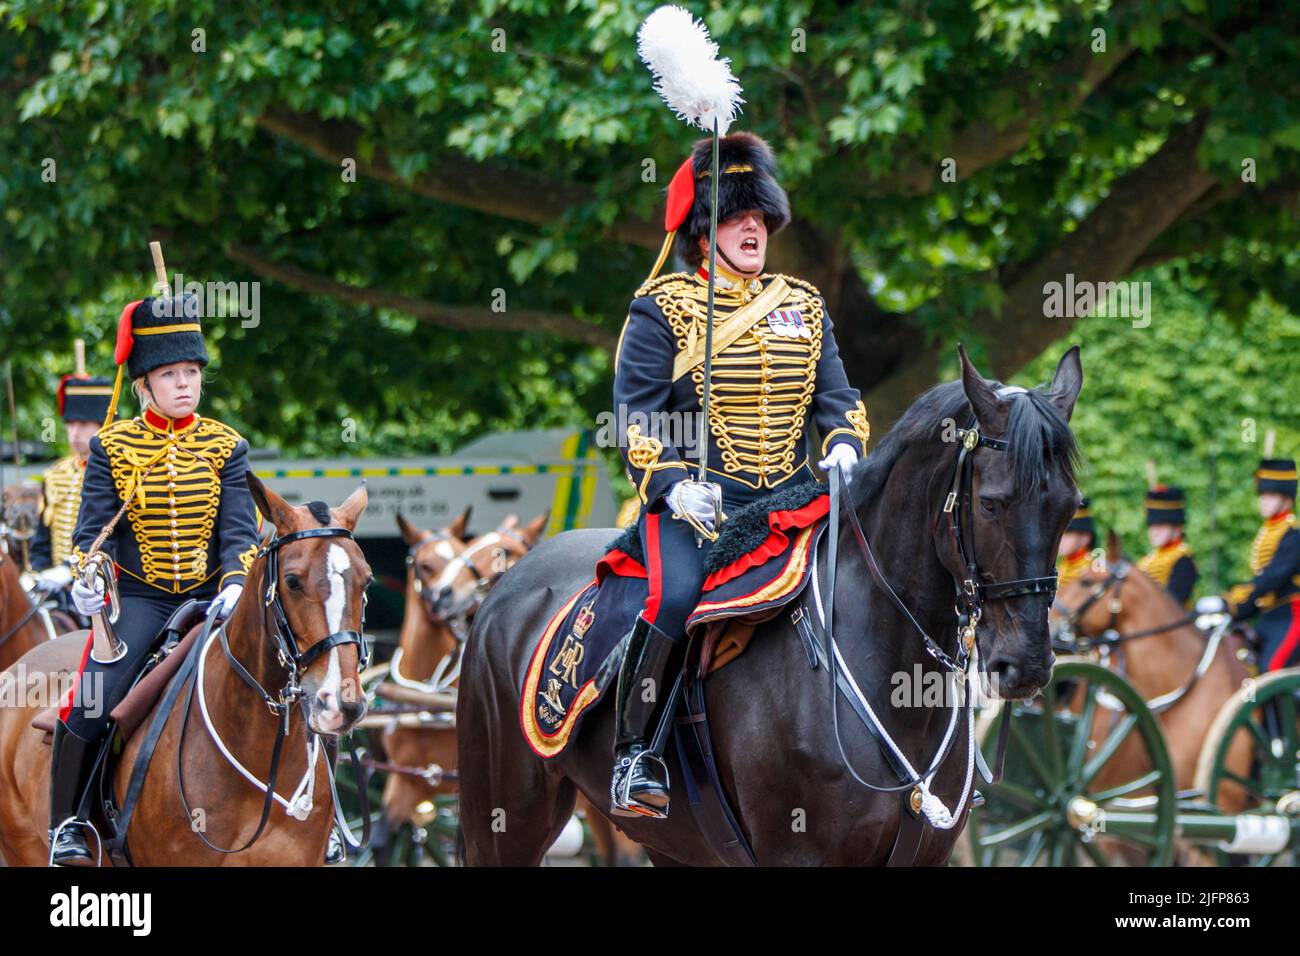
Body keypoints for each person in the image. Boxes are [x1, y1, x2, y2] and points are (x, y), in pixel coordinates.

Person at [608, 131, 869, 818]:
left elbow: (839, 404)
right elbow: (634, 418)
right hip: (700, 506)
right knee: (675, 596)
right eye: (734, 214)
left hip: (792, 501)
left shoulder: (805, 306)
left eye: (759, 215)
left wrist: (843, 444)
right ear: (702, 231)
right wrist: (669, 482)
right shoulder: (661, 308)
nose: (752, 225)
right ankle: (636, 752)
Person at [47, 294, 260, 866]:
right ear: (145, 384)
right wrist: (88, 578)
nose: (185, 383)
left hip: (214, 594)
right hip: (141, 599)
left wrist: (238, 581)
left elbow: (240, 531)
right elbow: (91, 535)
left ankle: (325, 816)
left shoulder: (226, 445)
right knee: (93, 697)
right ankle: (67, 823)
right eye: (171, 374)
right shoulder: (111, 447)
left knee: (292, 678)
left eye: (191, 372)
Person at [28, 371, 115, 613]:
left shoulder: (119, 472)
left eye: (83, 424)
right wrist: (39, 573)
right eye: (70, 424)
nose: (75, 433)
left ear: (101, 424)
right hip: (55, 588)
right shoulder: (54, 475)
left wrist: (70, 570)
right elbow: (41, 539)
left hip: (99, 586)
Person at [1226, 456, 1300, 671]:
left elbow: (1273, 577)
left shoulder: (1293, 535)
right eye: (1262, 495)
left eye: (1271, 495)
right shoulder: (1268, 532)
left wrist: (1236, 600)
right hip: (1267, 618)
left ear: (1286, 499)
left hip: (1291, 617)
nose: (1263, 500)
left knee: (1271, 669)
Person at [1136, 485, 1198, 607]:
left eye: (1161, 525)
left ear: (1177, 528)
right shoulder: (1147, 559)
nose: (1154, 531)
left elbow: (1172, 604)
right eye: (1151, 525)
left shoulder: (1183, 559)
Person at [1057, 498, 1095, 589]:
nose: (1059, 539)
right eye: (1058, 533)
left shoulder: (1094, 569)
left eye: (1067, 533)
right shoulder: (1061, 567)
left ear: (1085, 538)